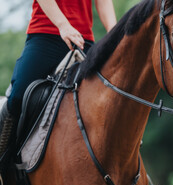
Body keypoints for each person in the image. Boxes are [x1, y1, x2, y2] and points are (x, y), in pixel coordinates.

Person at [0, 0, 117, 156]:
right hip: (45, 36)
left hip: (82, 41)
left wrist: (115, 34)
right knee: (18, 96)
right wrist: (64, 25)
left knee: (113, 99)